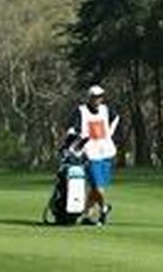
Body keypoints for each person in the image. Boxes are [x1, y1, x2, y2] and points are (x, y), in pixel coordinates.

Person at [64, 84, 119, 225]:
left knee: (97, 189)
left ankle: (86, 215)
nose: (98, 100)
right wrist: (74, 140)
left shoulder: (105, 110)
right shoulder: (81, 111)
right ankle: (104, 208)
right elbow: (73, 129)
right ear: (90, 98)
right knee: (98, 187)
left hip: (106, 152)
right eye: (95, 97)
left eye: (100, 97)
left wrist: (109, 134)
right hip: (90, 153)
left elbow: (116, 118)